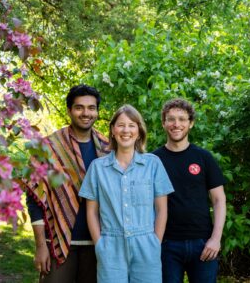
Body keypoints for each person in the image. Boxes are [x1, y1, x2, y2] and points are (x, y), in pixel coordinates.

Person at [79, 104, 174, 283]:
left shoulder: (153, 164)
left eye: (132, 125)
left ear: (139, 131)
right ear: (113, 130)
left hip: (146, 245)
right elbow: (91, 211)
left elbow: (162, 209)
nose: (126, 130)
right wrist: (100, 244)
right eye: (121, 125)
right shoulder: (97, 168)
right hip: (110, 246)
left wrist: (155, 242)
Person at [25, 84, 109, 283]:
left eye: (91, 108)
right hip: (58, 242)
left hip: (98, 243)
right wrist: (40, 246)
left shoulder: (108, 148)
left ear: (97, 111)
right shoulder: (48, 147)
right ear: (69, 110)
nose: (85, 113)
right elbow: (34, 197)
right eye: (79, 107)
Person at [153, 98, 226, 283]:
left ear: (191, 123)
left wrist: (216, 239)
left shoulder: (203, 157)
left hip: (203, 243)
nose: (176, 124)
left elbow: (219, 200)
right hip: (165, 244)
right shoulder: (153, 160)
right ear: (163, 123)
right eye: (171, 119)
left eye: (182, 119)